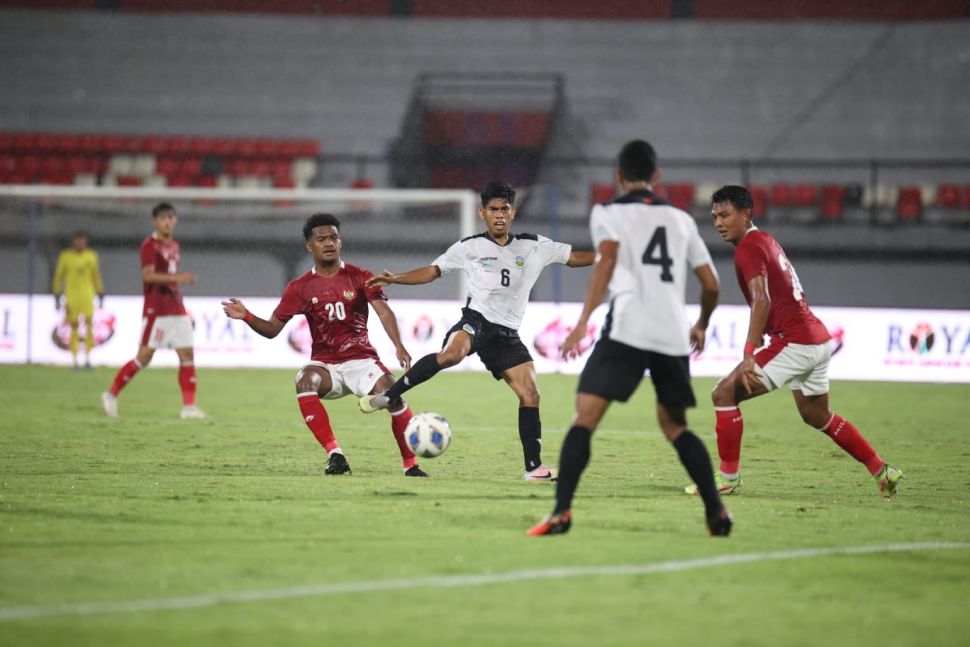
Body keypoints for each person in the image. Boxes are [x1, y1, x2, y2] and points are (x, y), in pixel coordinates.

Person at [528, 139, 732, 537]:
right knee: (676, 426)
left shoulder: (608, 212)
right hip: (672, 332)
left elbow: (606, 261)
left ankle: (561, 514)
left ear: (618, 177)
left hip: (628, 327)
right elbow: (711, 284)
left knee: (584, 420)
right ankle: (716, 511)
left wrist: (583, 319)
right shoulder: (682, 219)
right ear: (656, 177)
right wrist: (702, 323)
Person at [358, 180, 595, 481]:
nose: (499, 214)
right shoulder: (468, 247)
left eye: (504, 209)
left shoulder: (535, 246)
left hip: (507, 334)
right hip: (476, 320)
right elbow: (433, 271)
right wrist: (397, 279)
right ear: (482, 213)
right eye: (493, 209)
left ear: (513, 213)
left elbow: (574, 258)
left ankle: (534, 469)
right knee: (452, 354)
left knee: (531, 393)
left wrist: (609, 255)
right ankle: (390, 396)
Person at [686, 185, 903, 498]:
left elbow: (762, 299)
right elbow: (787, 292)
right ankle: (882, 470)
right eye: (715, 217)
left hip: (796, 342)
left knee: (724, 394)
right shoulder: (767, 240)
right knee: (816, 416)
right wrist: (767, 330)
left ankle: (727, 479)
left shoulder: (749, 246)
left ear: (745, 215)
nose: (718, 223)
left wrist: (749, 353)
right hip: (816, 339)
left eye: (725, 215)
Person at [222, 213, 427, 477]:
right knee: (304, 379)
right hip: (326, 366)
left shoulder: (360, 276)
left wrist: (398, 345)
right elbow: (272, 330)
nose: (329, 243)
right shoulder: (300, 288)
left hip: (361, 361)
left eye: (334, 237)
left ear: (340, 242)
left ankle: (411, 465)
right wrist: (247, 316)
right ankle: (336, 455)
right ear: (310, 246)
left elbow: (384, 311)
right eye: (322, 239)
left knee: (394, 396)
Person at [101, 202, 206, 419]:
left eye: (170, 217)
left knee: (187, 354)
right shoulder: (150, 245)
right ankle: (110, 395)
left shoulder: (174, 246)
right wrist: (179, 278)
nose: (167, 222)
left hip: (176, 309)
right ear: (155, 221)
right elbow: (148, 276)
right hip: (156, 310)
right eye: (162, 218)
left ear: (175, 220)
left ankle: (189, 408)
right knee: (144, 356)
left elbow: (170, 279)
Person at [52, 231, 104, 369]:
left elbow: (96, 275)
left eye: (82, 240)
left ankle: (87, 357)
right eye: (77, 240)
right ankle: (74, 358)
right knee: (73, 326)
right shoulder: (66, 256)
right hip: (72, 296)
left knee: (89, 325)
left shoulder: (91, 255)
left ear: (86, 241)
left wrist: (100, 291)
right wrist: (57, 293)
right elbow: (59, 276)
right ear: (73, 241)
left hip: (87, 295)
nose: (80, 243)